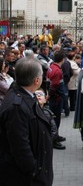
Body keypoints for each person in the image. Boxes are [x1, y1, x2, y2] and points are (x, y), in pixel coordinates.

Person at [0, 57, 53, 186]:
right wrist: (33, 170)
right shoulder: (16, 107)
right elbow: (20, 146)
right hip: (25, 178)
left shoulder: (25, 95)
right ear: (36, 80)